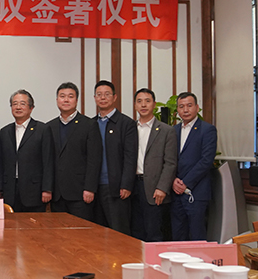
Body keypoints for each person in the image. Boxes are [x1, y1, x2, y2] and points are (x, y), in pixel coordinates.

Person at [46, 82, 101, 221]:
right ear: (57, 100)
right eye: (62, 96)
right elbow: (47, 161)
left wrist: (90, 188)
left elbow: (94, 160)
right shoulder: (49, 127)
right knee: (58, 231)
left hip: (80, 192)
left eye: (70, 96)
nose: (66, 100)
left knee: (80, 231)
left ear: (76, 100)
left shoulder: (89, 125)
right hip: (57, 194)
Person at [131, 88, 178, 242]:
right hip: (132, 187)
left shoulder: (166, 131)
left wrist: (162, 187)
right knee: (135, 232)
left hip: (154, 188)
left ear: (154, 104)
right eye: (139, 101)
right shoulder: (129, 129)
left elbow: (170, 163)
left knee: (154, 233)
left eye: (147, 101)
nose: (143, 105)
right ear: (135, 105)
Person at [93, 80, 137, 235]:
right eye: (99, 94)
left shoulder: (126, 123)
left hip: (117, 188)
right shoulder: (91, 124)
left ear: (114, 97)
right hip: (94, 189)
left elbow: (130, 156)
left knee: (119, 232)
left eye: (107, 94)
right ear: (94, 98)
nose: (103, 98)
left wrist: (126, 184)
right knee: (97, 234)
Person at [172, 92, 217, 241]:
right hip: (175, 192)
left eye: (189, 106)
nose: (185, 110)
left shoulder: (207, 129)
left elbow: (206, 161)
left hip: (197, 192)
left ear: (197, 108)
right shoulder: (173, 131)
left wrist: (185, 183)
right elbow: (169, 159)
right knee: (178, 234)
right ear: (177, 110)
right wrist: (173, 180)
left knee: (197, 235)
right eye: (181, 106)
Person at [0, 90, 53, 212]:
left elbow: (48, 161)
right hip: (10, 191)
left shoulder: (42, 129)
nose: (18, 107)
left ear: (31, 108)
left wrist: (47, 189)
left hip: (34, 191)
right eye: (15, 104)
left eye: (22, 104)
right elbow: (1, 163)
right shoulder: (4, 132)